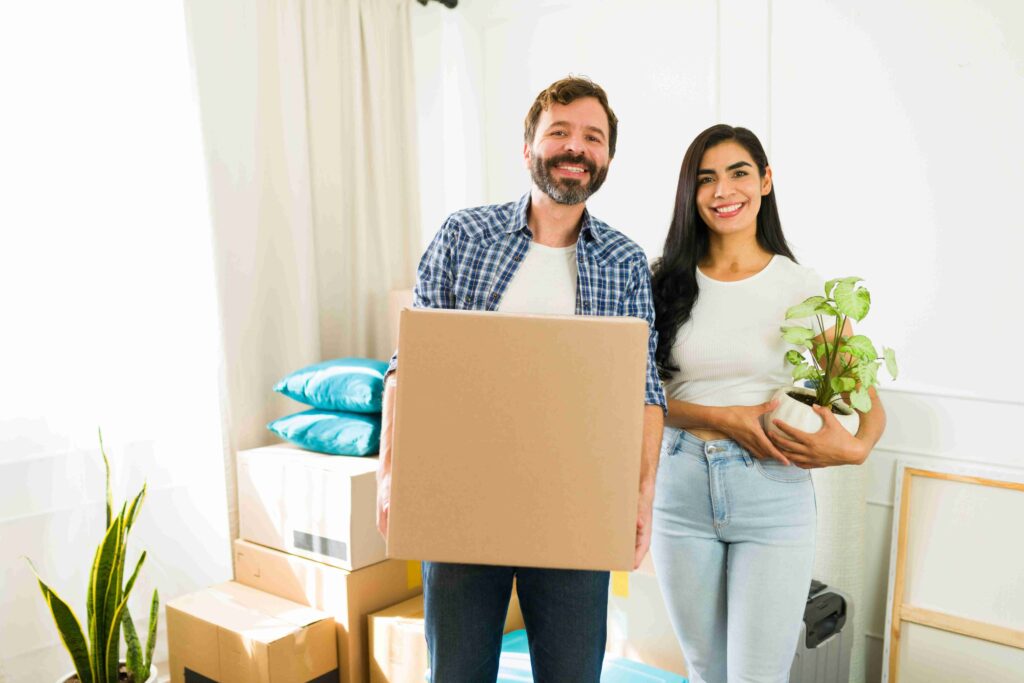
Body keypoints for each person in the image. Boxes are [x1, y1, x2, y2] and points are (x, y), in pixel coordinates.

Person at [375, 76, 666, 682]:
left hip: (576, 508)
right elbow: (410, 367)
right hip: (460, 500)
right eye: (559, 131)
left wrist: (639, 500)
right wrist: (389, 477)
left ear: (607, 156)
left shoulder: (626, 261)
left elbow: (644, 393)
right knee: (456, 674)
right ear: (529, 146)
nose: (575, 148)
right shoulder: (464, 236)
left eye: (593, 137)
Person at [648, 124, 887, 683]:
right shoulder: (665, 282)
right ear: (691, 193)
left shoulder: (803, 288)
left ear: (766, 181)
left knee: (758, 675)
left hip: (771, 495)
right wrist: (717, 417)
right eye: (705, 179)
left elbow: (869, 410)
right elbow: (638, 395)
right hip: (677, 489)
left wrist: (851, 452)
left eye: (738, 173)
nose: (722, 191)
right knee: (707, 670)